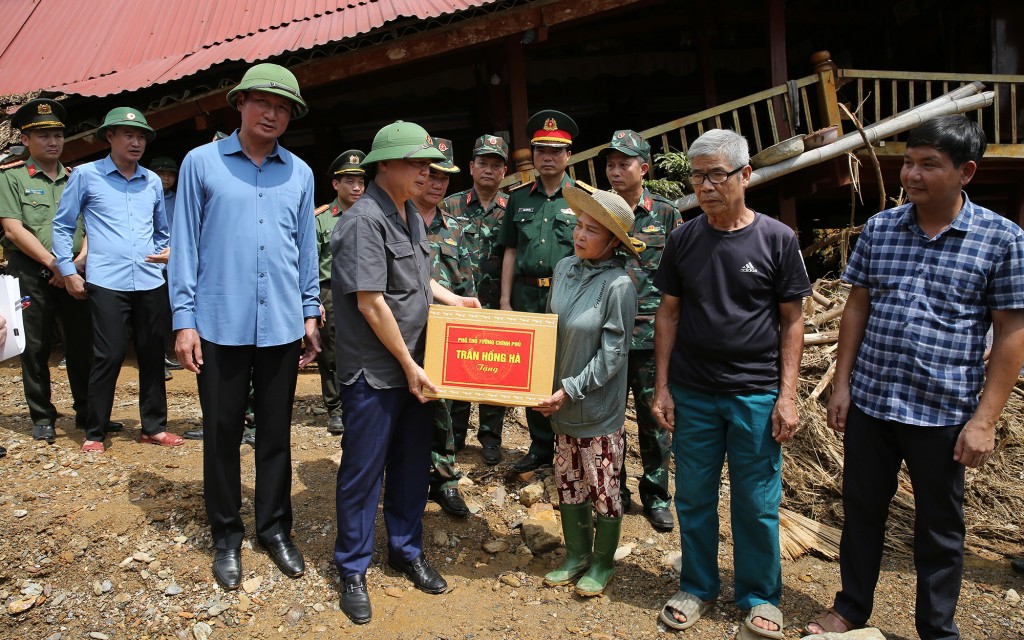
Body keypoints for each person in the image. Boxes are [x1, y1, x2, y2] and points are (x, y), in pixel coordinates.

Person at [806, 115, 1024, 639]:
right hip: (873, 403)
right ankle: (851, 608)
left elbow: (1012, 333)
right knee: (860, 514)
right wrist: (843, 385)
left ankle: (936, 628)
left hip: (943, 411)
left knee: (940, 528)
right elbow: (856, 307)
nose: (912, 174)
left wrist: (984, 421)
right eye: (908, 162)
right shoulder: (882, 229)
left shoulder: (1001, 239)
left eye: (929, 164)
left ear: (966, 171)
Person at [651, 129, 810, 637]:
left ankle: (760, 596)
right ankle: (697, 586)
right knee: (693, 495)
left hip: (755, 393)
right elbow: (668, 315)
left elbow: (792, 321)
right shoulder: (684, 238)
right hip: (694, 392)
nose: (704, 185)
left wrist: (787, 395)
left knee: (757, 501)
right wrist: (662, 387)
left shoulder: (777, 238)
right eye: (697, 176)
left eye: (716, 174)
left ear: (744, 175)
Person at [169, 63, 320, 590]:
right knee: (222, 432)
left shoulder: (299, 172)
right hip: (218, 320)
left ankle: (275, 529)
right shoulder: (201, 163)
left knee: (276, 435)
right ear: (240, 104)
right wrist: (183, 320)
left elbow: (306, 249)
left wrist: (309, 311)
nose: (272, 113)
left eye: (282, 107)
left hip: (280, 322)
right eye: (263, 102)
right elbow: (184, 244)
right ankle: (226, 534)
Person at [331, 120, 480, 625]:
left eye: (429, 164)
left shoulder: (410, 215)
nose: (426, 171)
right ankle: (352, 566)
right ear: (385, 165)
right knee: (363, 471)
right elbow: (372, 303)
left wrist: (454, 298)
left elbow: (420, 278)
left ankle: (405, 549)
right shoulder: (362, 220)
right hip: (378, 371)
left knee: (413, 465)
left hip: (416, 367)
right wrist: (409, 364)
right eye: (416, 163)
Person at [53, 107, 179, 455]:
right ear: (109, 137)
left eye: (141, 137)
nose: (136, 142)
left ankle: (153, 427)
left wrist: (162, 252)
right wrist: (67, 270)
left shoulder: (152, 180)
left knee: (153, 353)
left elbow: (161, 230)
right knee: (108, 355)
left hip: (151, 280)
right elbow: (63, 225)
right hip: (107, 280)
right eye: (128, 135)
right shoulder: (87, 175)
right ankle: (95, 430)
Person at [537, 185, 638, 597]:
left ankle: (602, 562)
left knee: (602, 485)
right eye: (577, 225)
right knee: (567, 479)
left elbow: (614, 356)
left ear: (613, 241)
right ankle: (576, 555)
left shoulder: (619, 286)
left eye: (591, 230)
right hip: (561, 403)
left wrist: (570, 388)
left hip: (595, 405)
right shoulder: (563, 268)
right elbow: (549, 329)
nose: (579, 235)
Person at [0, 99, 120, 443]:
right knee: (34, 347)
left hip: (77, 271)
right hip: (30, 272)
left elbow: (94, 224)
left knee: (83, 345)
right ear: (26, 140)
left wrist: (77, 262)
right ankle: (43, 416)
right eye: (44, 137)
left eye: (57, 135)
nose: (53, 142)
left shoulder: (78, 177)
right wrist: (57, 265)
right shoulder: (12, 178)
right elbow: (13, 229)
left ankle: (88, 413)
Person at [600, 129, 682, 530]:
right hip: (608, 335)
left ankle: (656, 495)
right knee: (610, 420)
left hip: (652, 338)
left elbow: (681, 277)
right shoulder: (600, 210)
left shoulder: (666, 214)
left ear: (643, 168)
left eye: (624, 164)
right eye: (611, 164)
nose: (616, 171)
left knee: (654, 420)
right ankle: (614, 490)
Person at [500, 109, 579, 473]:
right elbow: (511, 250)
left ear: (568, 155)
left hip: (567, 296)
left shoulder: (582, 200)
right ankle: (540, 447)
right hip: (527, 296)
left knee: (567, 369)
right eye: (540, 151)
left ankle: (570, 444)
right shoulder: (517, 199)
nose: (547, 158)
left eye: (555, 151)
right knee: (531, 372)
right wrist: (504, 301)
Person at [414, 138, 474, 517]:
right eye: (431, 175)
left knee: (444, 410)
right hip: (401, 333)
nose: (437, 184)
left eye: (444, 178)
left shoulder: (455, 228)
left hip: (445, 333)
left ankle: (445, 480)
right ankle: (405, 476)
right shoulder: (393, 221)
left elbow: (466, 284)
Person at [443, 134, 510, 465]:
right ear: (470, 167)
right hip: (458, 304)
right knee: (458, 371)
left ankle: (490, 438)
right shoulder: (450, 205)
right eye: (482, 162)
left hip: (497, 304)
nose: (488, 169)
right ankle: (454, 436)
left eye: (495, 164)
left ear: (504, 171)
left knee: (494, 373)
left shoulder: (512, 209)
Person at [315, 149, 365, 436]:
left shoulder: (373, 215)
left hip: (365, 292)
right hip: (330, 292)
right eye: (349, 181)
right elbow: (309, 262)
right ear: (336, 184)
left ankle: (360, 401)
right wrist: (312, 301)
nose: (356, 187)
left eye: (360, 182)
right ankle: (336, 408)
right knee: (331, 352)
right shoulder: (321, 219)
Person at [149, 155, 182, 380]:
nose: (166, 179)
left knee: (173, 309)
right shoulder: (144, 196)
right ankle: (157, 356)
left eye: (170, 175)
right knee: (155, 313)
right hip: (152, 261)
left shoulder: (180, 199)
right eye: (161, 174)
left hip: (177, 261)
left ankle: (168, 352)